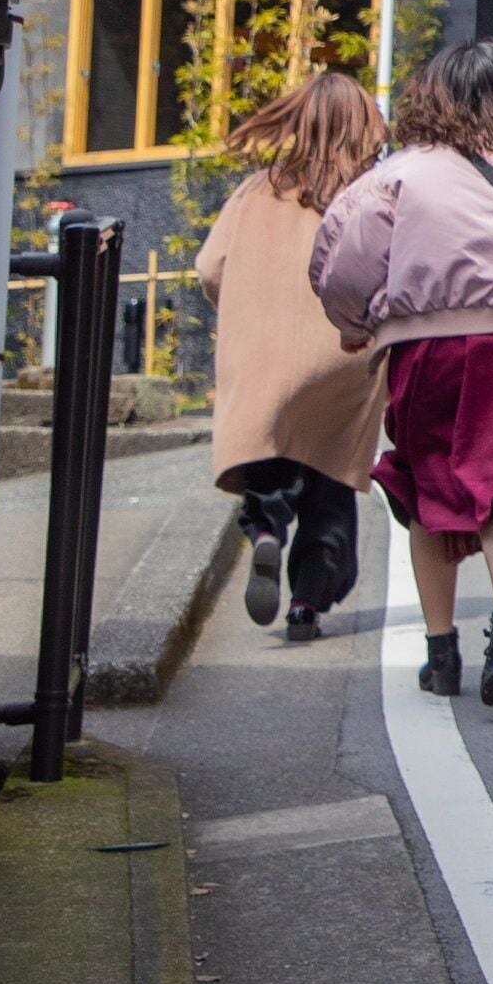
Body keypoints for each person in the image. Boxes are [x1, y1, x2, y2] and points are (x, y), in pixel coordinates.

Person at [312, 42, 493, 707]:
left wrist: (354, 321)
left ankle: (441, 652)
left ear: (434, 97)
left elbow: (345, 254)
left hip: (430, 340)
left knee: (429, 482)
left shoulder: (401, 175)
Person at [200, 71, 387, 643]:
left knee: (272, 457)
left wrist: (244, 310)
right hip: (343, 355)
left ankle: (266, 532)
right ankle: (307, 600)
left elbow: (210, 267)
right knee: (329, 477)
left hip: (260, 354)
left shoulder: (258, 189)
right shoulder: (373, 194)